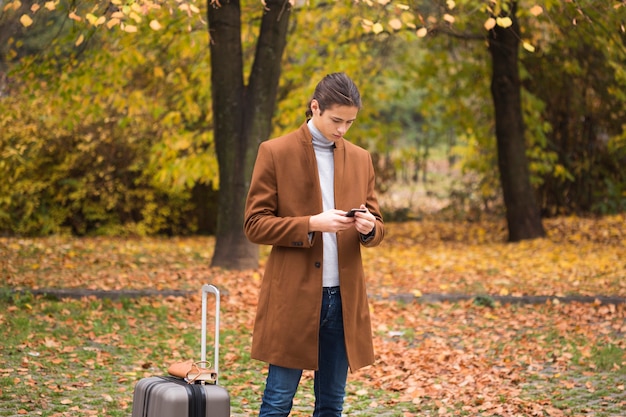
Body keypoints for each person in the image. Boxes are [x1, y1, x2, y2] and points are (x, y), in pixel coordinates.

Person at [243, 72, 385, 417]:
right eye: (336, 120)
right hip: (293, 295)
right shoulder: (275, 152)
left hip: (344, 298)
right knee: (277, 402)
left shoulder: (361, 158)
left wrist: (369, 227)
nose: (342, 129)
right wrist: (310, 224)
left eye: (350, 122)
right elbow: (254, 224)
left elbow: (378, 224)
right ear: (315, 107)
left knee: (331, 406)